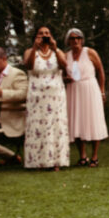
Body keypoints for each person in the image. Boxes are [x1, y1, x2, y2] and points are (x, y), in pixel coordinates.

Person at [23, 26, 69, 170]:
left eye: (47, 33)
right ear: (36, 36)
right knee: (38, 127)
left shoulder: (58, 52)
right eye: (41, 33)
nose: (44, 36)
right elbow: (29, 67)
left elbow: (64, 66)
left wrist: (55, 49)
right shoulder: (30, 52)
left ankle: (56, 161)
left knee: (55, 127)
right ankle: (38, 161)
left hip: (56, 96)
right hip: (37, 95)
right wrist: (34, 47)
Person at [64, 28, 108, 167]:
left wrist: (102, 90)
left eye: (78, 38)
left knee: (93, 119)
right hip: (74, 90)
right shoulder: (66, 56)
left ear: (82, 40)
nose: (75, 41)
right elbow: (62, 74)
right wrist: (66, 78)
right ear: (68, 41)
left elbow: (100, 71)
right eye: (72, 38)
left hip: (90, 88)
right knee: (76, 121)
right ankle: (82, 156)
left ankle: (94, 156)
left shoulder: (90, 52)